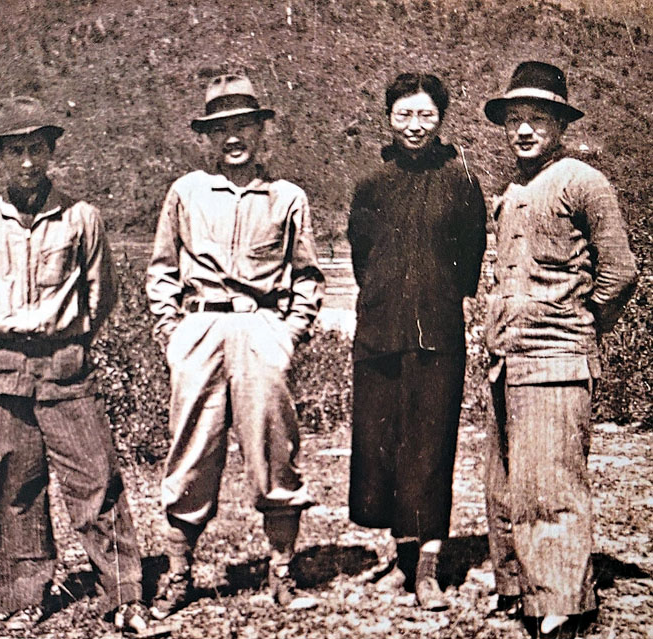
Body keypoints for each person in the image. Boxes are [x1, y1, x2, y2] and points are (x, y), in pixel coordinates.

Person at [0, 95, 158, 636]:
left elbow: (101, 294)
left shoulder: (81, 218)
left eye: (36, 149)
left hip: (66, 368)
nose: (27, 162)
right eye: (15, 151)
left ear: (51, 152)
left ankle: (123, 595)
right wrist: (11, 329)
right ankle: (22, 596)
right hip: (6, 369)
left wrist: (66, 337)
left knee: (96, 480)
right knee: (15, 486)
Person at [146, 74, 324, 618]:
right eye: (221, 128)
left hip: (260, 330)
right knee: (191, 450)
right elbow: (162, 269)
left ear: (261, 131)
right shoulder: (186, 192)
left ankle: (282, 569)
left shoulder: (287, 197)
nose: (233, 138)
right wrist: (172, 332)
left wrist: (288, 333)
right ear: (206, 136)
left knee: (274, 447)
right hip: (199, 330)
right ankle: (179, 574)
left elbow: (307, 276)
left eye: (244, 125)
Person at [482, 61, 638, 638]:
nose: (524, 130)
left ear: (561, 124)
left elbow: (619, 272)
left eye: (538, 119)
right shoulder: (512, 190)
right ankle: (518, 588)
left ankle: (563, 604)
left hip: (557, 359)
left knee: (551, 487)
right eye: (514, 120)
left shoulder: (583, 181)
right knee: (506, 486)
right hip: (506, 359)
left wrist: (578, 324)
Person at [346, 73, 487, 610]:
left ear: (441, 119)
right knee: (383, 448)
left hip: (437, 335)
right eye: (404, 114)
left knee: (429, 449)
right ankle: (400, 560)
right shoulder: (371, 185)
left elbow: (470, 258)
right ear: (389, 117)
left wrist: (438, 298)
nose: (415, 125)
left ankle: (427, 569)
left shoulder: (460, 181)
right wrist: (384, 300)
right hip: (380, 332)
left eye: (426, 114)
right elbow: (362, 258)